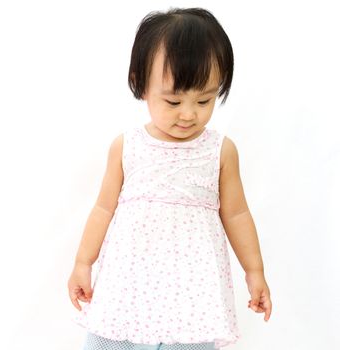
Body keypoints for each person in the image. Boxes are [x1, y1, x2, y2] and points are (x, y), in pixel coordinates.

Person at [67, 7, 273, 350]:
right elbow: (103, 209)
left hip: (193, 292)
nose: (189, 114)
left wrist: (255, 271)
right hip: (128, 284)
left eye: (205, 99)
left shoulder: (220, 151)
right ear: (141, 85)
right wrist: (82, 262)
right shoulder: (126, 146)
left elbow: (236, 214)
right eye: (174, 100)